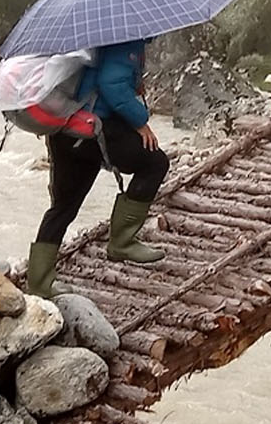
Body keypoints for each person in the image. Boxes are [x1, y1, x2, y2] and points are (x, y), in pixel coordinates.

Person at [22, 40, 170, 298]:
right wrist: (141, 122)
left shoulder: (90, 38)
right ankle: (122, 241)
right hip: (95, 130)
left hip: (66, 129)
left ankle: (39, 282)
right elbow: (111, 85)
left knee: (64, 206)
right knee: (155, 163)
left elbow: (102, 80)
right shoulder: (124, 41)